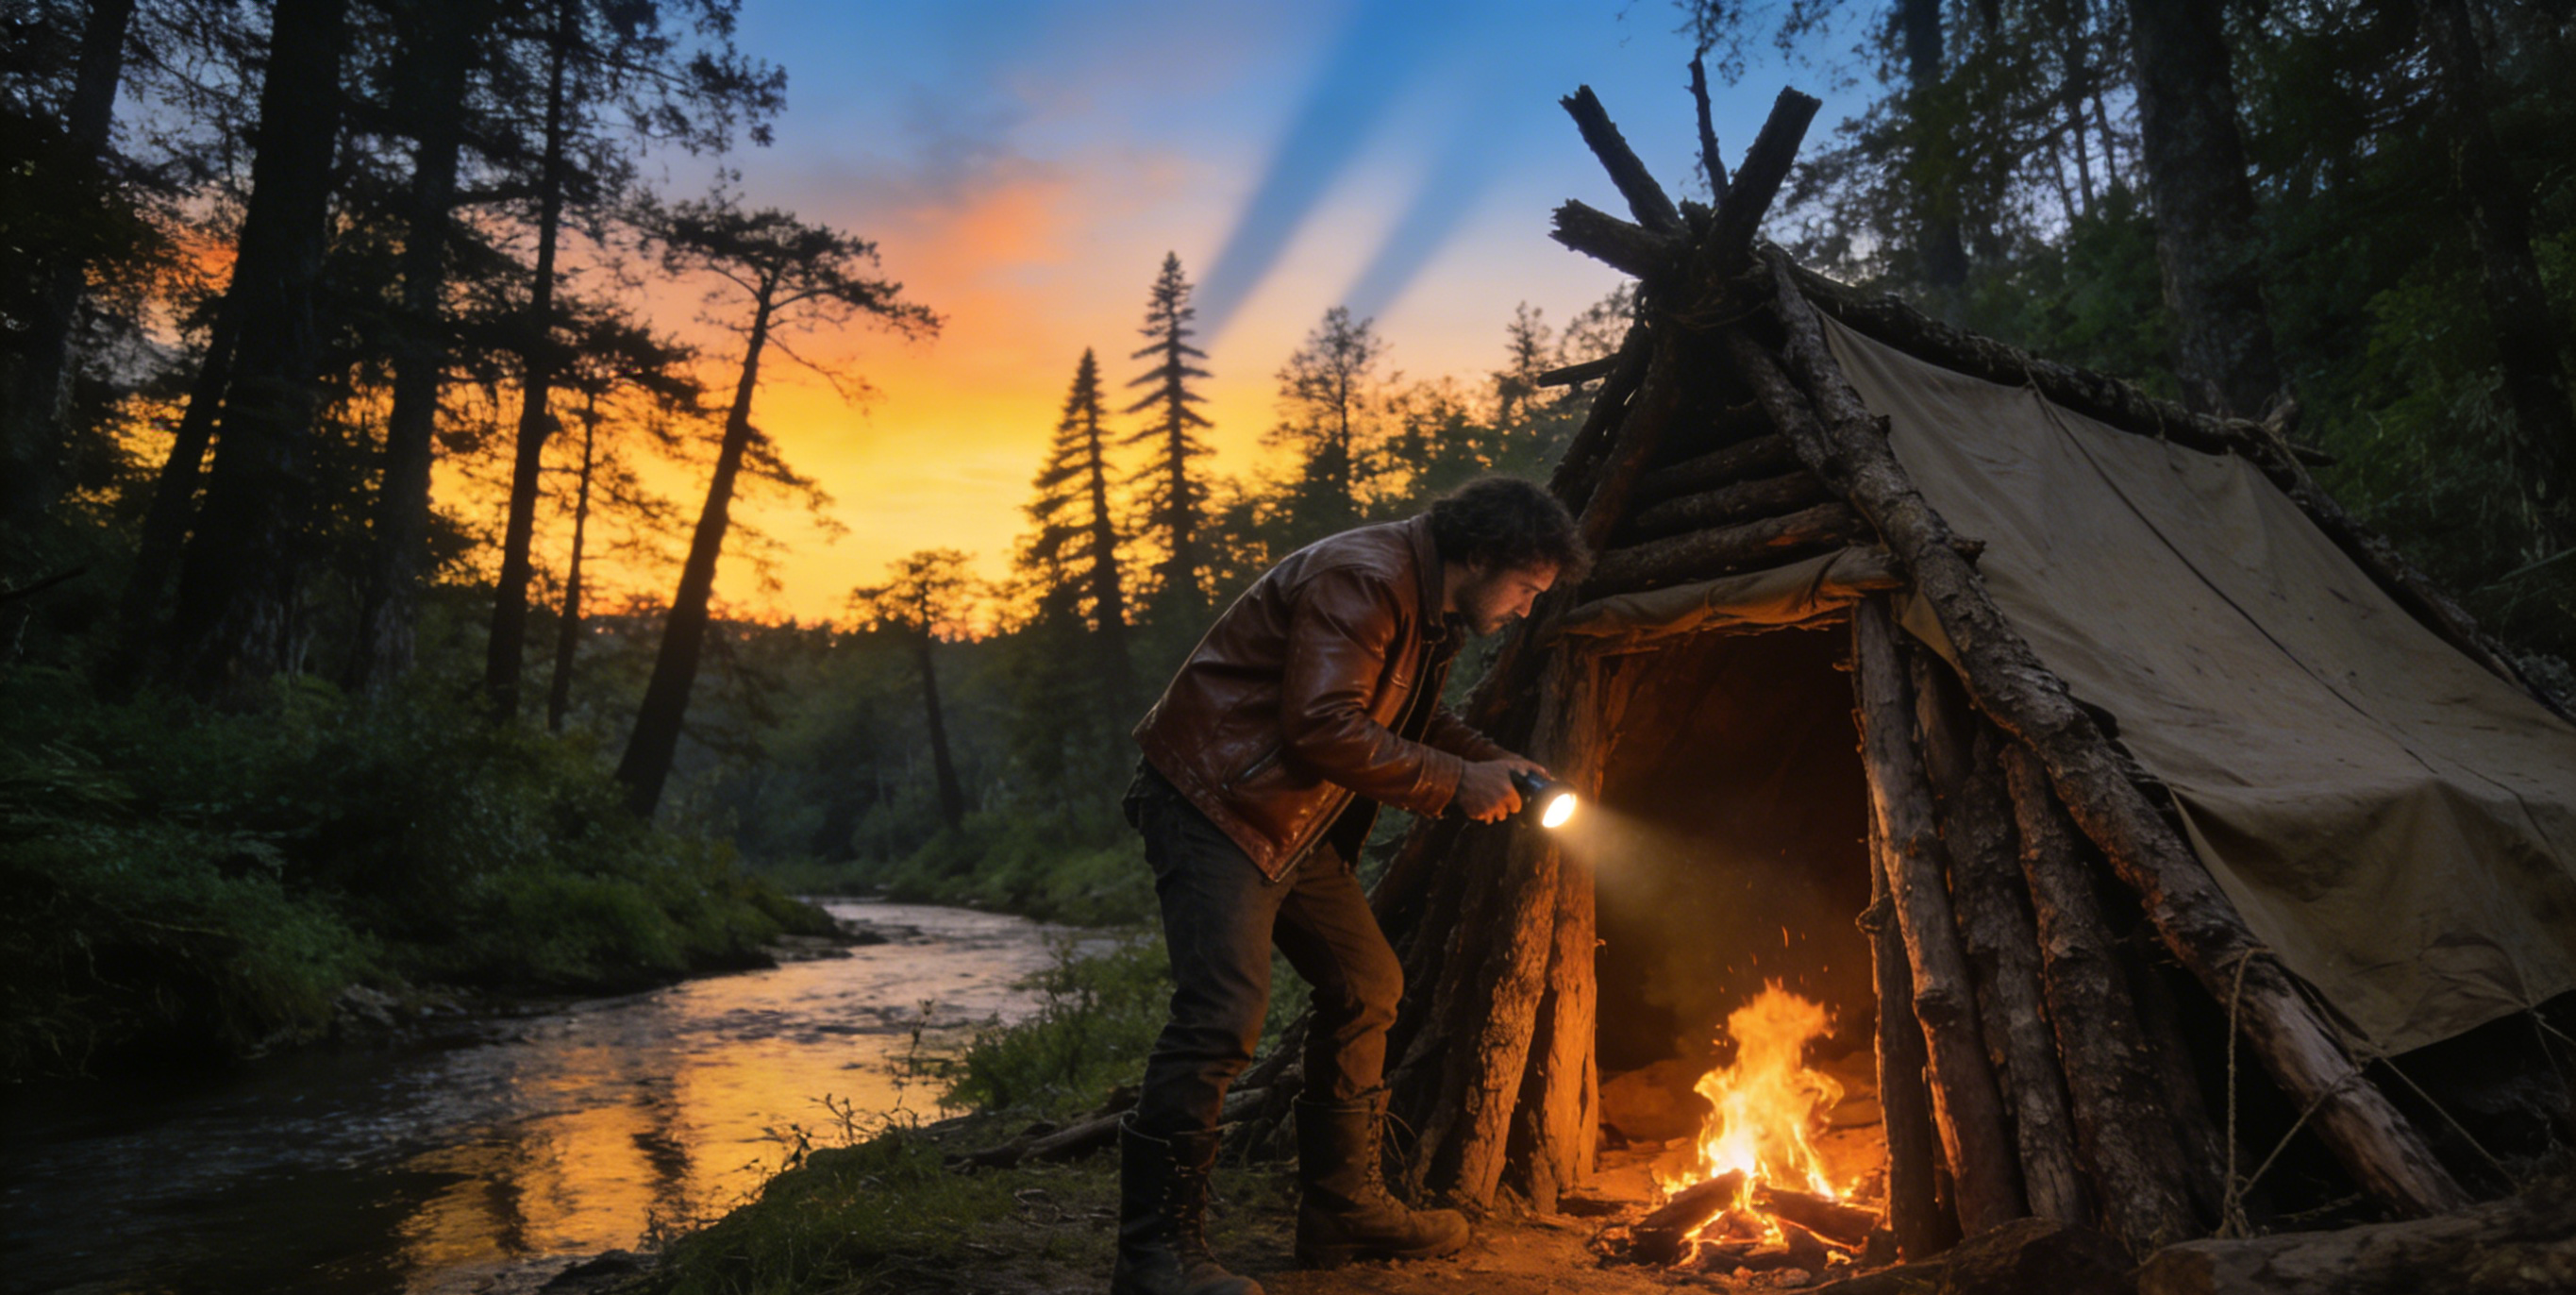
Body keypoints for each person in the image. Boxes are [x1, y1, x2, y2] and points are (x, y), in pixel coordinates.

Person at [1111, 476, 1590, 1295]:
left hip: (1289, 819)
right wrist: (1452, 782)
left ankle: (1341, 1212)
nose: (1523, 609)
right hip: (1215, 802)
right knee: (1220, 1018)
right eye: (1524, 589)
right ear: (1479, 556)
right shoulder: (1364, 578)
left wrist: (1486, 760)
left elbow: (1399, 717)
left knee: (1368, 984)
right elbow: (1323, 723)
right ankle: (1156, 1255)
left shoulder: (1424, 602)